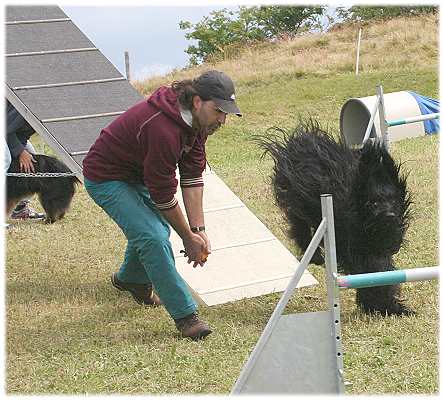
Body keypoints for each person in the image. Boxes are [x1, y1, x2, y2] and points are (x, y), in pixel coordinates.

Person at [83, 70, 242, 340]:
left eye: (226, 112)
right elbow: (163, 195)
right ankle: (186, 316)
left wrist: (198, 228)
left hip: (139, 174)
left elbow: (192, 177)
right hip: (107, 177)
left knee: (150, 230)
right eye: (219, 111)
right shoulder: (162, 128)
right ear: (197, 102)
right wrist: (187, 238)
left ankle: (131, 278)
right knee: (154, 236)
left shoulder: (200, 124)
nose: (223, 120)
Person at [6, 101, 45, 220]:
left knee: (33, 163)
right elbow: (6, 130)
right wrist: (20, 152)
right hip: (5, 134)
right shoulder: (25, 104)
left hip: (17, 137)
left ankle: (20, 208)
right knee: (5, 161)